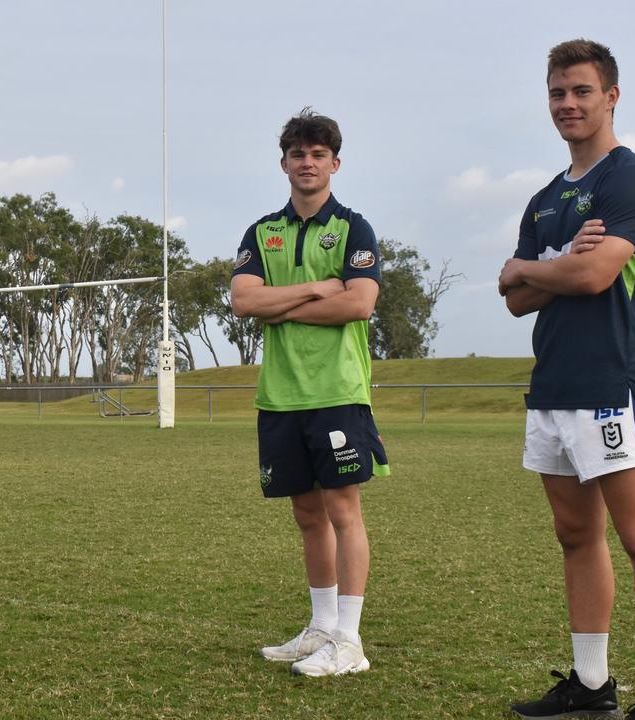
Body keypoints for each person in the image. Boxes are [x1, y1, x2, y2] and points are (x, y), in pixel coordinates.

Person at [499, 39, 635, 720]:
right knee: (575, 538)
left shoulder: (629, 180)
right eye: (556, 92)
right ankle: (591, 684)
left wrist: (533, 268)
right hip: (552, 388)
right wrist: (544, 267)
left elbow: (591, 274)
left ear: (610, 96)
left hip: (615, 384)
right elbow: (511, 297)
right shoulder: (546, 197)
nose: (567, 104)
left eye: (580, 91)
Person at [230, 108, 389, 678]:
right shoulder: (262, 232)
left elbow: (359, 304)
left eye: (318, 154)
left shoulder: (353, 228)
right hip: (280, 395)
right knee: (306, 513)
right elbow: (246, 303)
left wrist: (286, 299)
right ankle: (320, 627)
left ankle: (349, 641)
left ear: (334, 163)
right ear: (284, 163)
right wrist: (320, 287)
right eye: (298, 154)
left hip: (337, 391)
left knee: (344, 510)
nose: (307, 163)